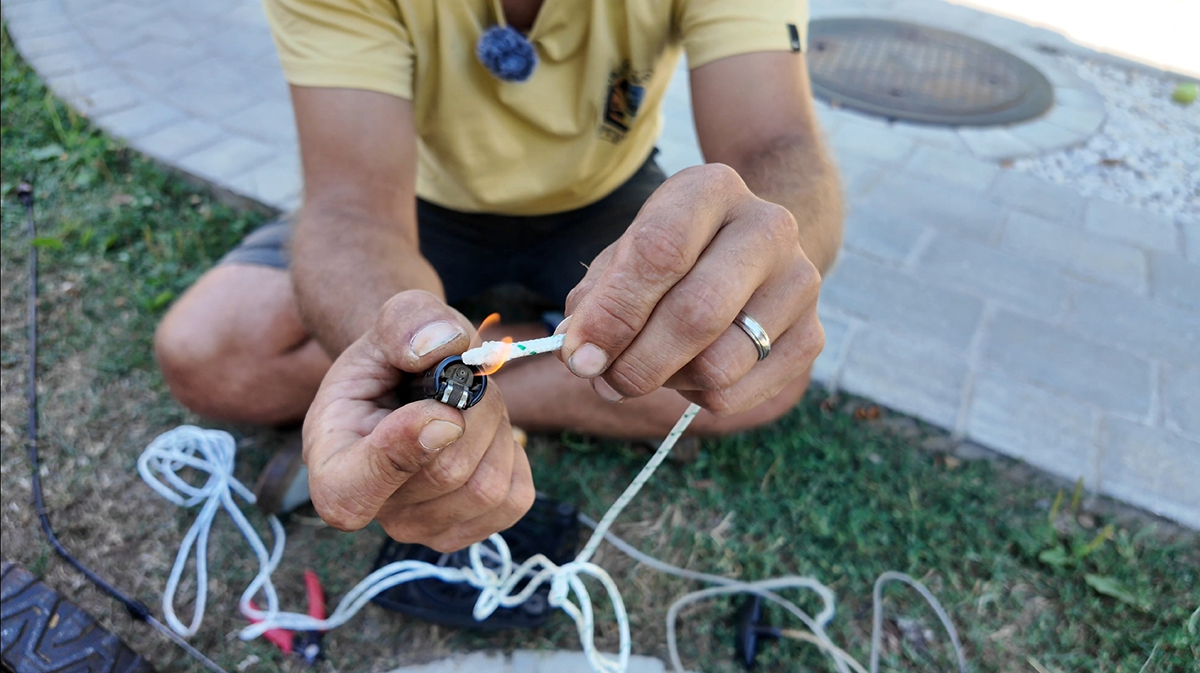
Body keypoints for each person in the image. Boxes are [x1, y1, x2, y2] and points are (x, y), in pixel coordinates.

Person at [154, 0, 843, 553]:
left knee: (752, 371)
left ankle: (479, 375)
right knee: (210, 351)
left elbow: (775, 144)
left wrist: (759, 258)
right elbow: (353, 209)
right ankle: (555, 365)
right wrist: (406, 335)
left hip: (603, 199)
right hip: (415, 206)